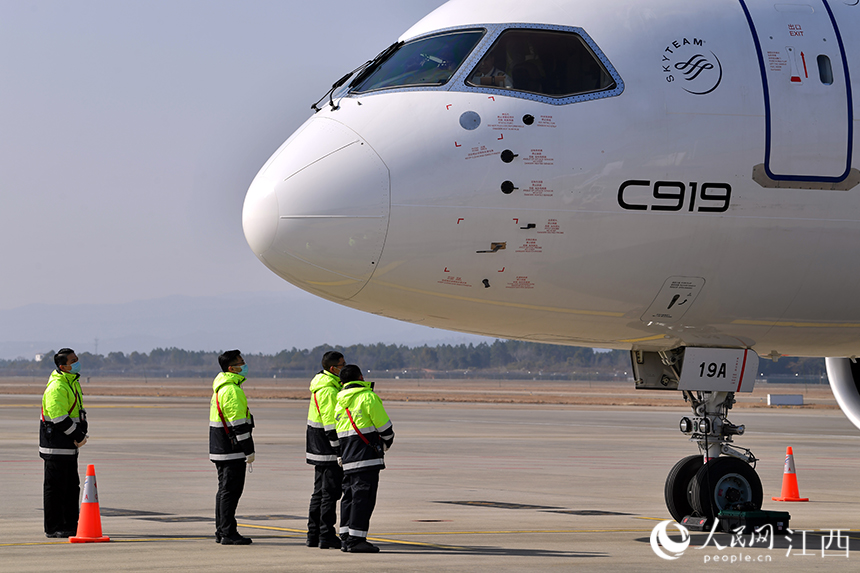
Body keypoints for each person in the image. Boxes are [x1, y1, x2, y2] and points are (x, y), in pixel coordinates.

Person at [335, 365, 394, 553]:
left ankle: (345, 537)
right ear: (360, 377)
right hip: (366, 457)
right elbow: (385, 427)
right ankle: (356, 539)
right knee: (363, 499)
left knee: (349, 497)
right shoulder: (367, 397)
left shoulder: (340, 401)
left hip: (348, 457)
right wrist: (385, 444)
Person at [40, 348, 88, 538]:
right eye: (73, 360)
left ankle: (70, 524)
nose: (77, 363)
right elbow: (59, 418)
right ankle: (54, 527)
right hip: (56, 446)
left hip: (68, 447)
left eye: (77, 359)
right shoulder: (57, 387)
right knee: (55, 489)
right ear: (63, 366)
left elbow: (77, 413)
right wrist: (78, 435)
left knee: (70, 488)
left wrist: (82, 430)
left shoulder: (72, 382)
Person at [209, 350, 255, 545]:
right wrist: (249, 450)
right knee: (231, 492)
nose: (244, 365)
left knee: (224, 491)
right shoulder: (232, 390)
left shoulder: (221, 388)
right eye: (241, 362)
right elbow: (239, 425)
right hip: (231, 450)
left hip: (220, 448)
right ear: (232, 368)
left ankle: (222, 530)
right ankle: (228, 532)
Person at [305, 350, 346, 549]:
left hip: (318, 446)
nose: (344, 368)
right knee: (329, 493)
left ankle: (313, 534)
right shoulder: (329, 390)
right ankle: (326, 534)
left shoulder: (322, 385)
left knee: (319, 493)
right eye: (342, 365)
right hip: (327, 448)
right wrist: (339, 451)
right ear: (333, 368)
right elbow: (331, 424)